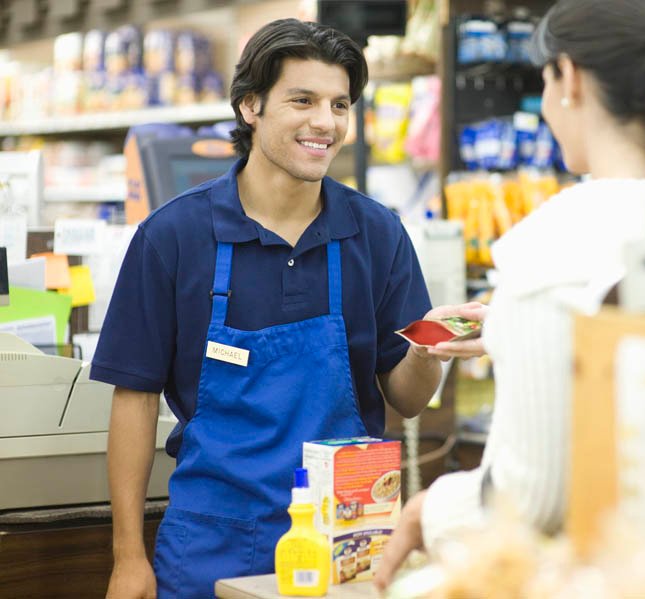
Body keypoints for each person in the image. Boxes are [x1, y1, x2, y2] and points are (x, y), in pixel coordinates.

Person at [374, 0, 645, 589]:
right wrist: (507, 327)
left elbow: (531, 501)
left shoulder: (556, 243)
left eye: (544, 81)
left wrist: (434, 510)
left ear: (570, 78)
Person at [91, 19, 444, 599]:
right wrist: (128, 556)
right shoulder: (173, 236)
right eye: (302, 100)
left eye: (339, 104)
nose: (325, 123)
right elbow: (133, 396)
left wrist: (431, 348)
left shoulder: (377, 234)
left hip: (348, 543)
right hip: (212, 541)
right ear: (250, 105)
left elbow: (407, 397)